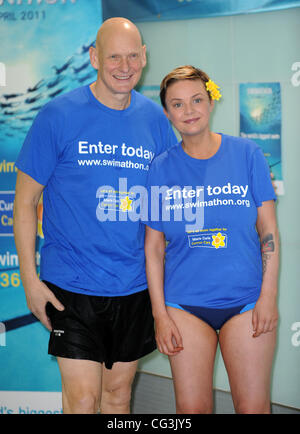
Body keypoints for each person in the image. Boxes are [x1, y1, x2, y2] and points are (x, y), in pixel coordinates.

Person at [13, 18, 177, 414]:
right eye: (114, 56)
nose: (125, 66)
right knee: (83, 399)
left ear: (144, 57)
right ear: (94, 57)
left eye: (133, 56)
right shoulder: (58, 115)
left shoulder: (155, 121)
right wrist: (30, 281)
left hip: (134, 285)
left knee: (118, 396)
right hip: (70, 285)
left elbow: (167, 205)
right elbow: (23, 202)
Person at [144, 65, 279, 414]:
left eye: (196, 100)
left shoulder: (247, 154)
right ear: (167, 113)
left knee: (253, 408)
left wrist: (268, 297)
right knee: (191, 410)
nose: (188, 111)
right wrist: (160, 314)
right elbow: (154, 247)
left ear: (210, 101)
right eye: (177, 104)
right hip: (185, 307)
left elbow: (268, 231)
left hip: (247, 303)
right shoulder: (160, 168)